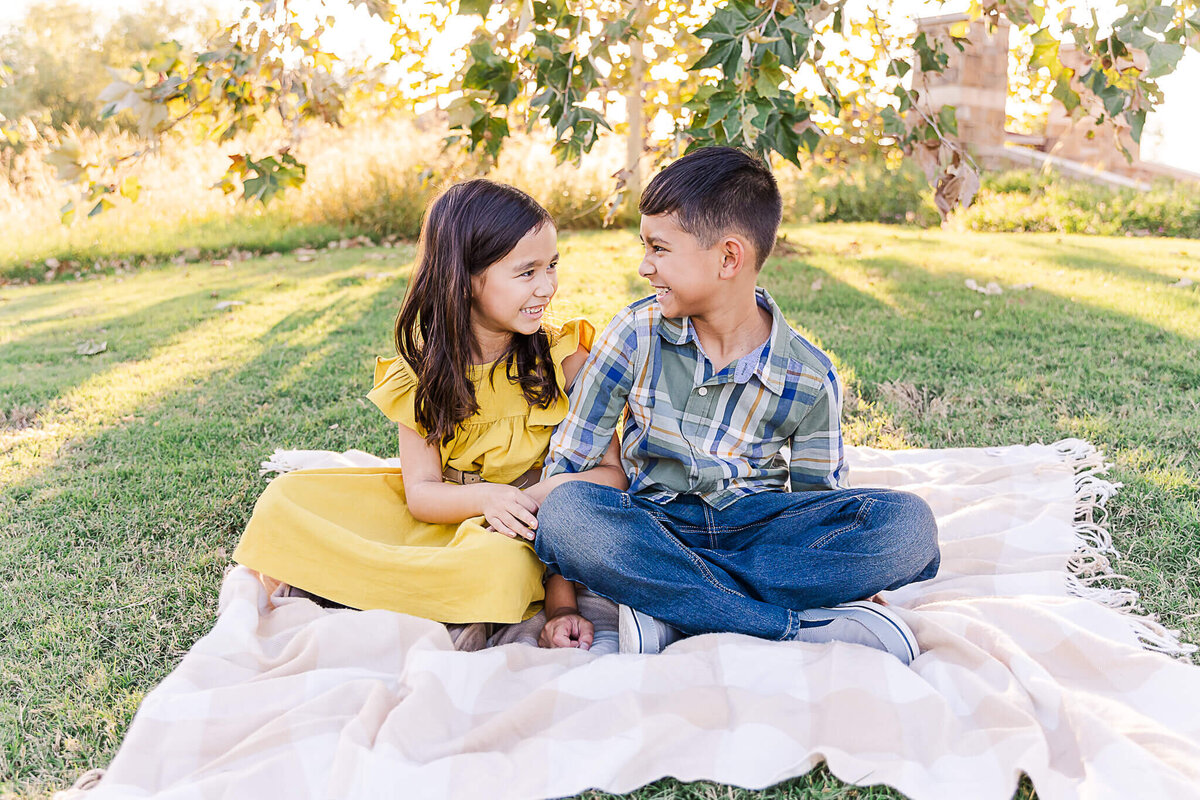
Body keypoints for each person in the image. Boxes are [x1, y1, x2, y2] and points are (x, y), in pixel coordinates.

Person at [531, 147, 941, 662]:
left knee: (908, 525)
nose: (644, 266)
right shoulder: (633, 335)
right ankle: (784, 625)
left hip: (758, 530)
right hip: (654, 523)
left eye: (659, 249)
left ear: (729, 258)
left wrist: (845, 570)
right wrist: (561, 604)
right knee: (569, 511)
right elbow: (568, 468)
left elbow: (820, 503)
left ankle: (674, 606)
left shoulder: (809, 376)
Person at [233, 179, 625, 654]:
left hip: (515, 531)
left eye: (552, 265)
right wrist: (485, 496)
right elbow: (420, 493)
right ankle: (414, 590)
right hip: (444, 513)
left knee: (495, 570)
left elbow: (612, 476)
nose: (548, 286)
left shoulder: (565, 359)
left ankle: (384, 590)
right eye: (527, 272)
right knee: (286, 498)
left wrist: (532, 501)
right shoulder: (421, 373)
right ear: (466, 278)